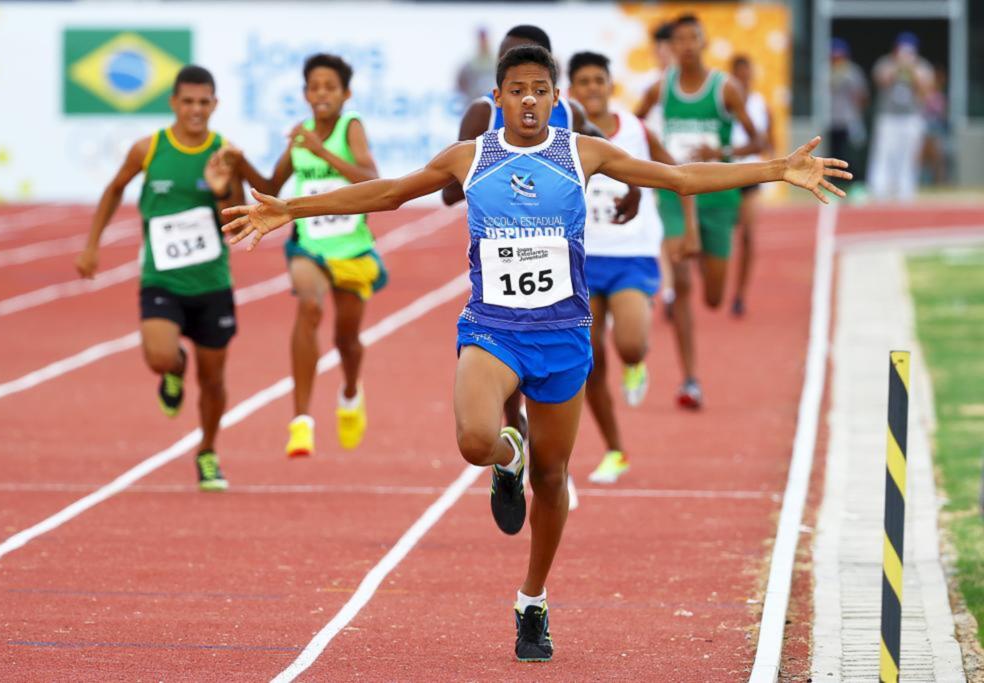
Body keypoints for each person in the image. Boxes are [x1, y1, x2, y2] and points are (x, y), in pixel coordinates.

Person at [220, 46, 848, 662]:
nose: (527, 100)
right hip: (493, 328)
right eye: (515, 90)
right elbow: (387, 194)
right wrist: (290, 209)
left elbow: (679, 178)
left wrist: (773, 170)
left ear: (556, 98)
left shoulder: (583, 153)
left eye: (539, 90)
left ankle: (533, 600)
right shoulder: (470, 158)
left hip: (564, 335)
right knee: (473, 439)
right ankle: (505, 452)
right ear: (497, 99)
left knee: (552, 480)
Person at [442, 23, 640, 438]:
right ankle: (512, 431)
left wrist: (632, 185)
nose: (527, 96)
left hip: (560, 295)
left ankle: (528, 442)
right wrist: (492, 184)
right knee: (497, 376)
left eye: (538, 84)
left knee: (552, 468)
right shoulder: (483, 114)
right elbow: (445, 191)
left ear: (553, 86)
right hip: (499, 290)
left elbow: (608, 151)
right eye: (510, 75)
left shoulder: (570, 117)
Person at [75, 65, 241, 492]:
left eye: (204, 102)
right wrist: (93, 244)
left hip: (212, 283)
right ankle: (174, 369)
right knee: (160, 356)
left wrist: (222, 188)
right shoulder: (148, 149)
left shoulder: (225, 152)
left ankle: (207, 450)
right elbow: (114, 189)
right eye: (187, 101)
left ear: (215, 105)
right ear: (173, 103)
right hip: (161, 278)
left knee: (214, 381)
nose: (195, 110)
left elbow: (240, 215)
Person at [229, 54, 384, 458]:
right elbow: (268, 185)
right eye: (314, 87)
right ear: (304, 93)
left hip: (351, 248)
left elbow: (371, 180)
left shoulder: (351, 128)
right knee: (309, 308)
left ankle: (350, 391)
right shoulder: (298, 138)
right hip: (309, 245)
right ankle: (301, 421)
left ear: (346, 94)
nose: (321, 94)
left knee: (346, 340)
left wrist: (322, 151)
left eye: (329, 87)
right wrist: (239, 161)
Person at [566, 50, 697, 484]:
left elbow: (678, 176)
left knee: (629, 344)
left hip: (631, 256)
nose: (591, 89)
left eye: (598, 81)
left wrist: (688, 228)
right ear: (571, 90)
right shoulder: (561, 135)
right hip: (580, 259)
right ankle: (614, 450)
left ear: (610, 85)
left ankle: (637, 363)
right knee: (590, 361)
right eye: (582, 82)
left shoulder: (636, 130)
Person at [635, 13, 765, 409]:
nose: (687, 46)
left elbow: (757, 138)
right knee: (683, 282)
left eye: (694, 38)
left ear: (704, 43)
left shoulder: (724, 89)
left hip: (719, 201)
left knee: (711, 296)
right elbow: (631, 123)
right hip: (676, 197)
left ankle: (691, 289)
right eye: (680, 40)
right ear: (671, 48)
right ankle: (690, 379)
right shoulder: (661, 88)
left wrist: (721, 152)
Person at [634, 21, 678, 318]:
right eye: (658, 48)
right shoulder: (649, 85)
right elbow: (636, 122)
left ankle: (676, 282)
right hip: (656, 166)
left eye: (667, 47)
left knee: (680, 234)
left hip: (687, 168)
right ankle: (668, 288)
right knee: (655, 228)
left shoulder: (688, 84)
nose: (662, 53)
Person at [728, 54, 774, 317]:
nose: (743, 80)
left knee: (747, 235)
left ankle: (740, 294)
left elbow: (768, 140)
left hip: (750, 176)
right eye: (738, 75)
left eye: (747, 74)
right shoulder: (724, 104)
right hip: (723, 175)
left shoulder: (760, 105)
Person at [867, 32, 934, 202]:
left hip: (911, 118)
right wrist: (898, 67)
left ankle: (905, 190)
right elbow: (882, 80)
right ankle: (879, 189)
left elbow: (926, 92)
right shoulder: (885, 63)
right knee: (884, 153)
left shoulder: (923, 66)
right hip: (888, 116)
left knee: (909, 155)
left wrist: (911, 71)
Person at [828, 38, 868, 189]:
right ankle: (835, 185)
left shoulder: (853, 72)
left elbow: (862, 96)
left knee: (851, 156)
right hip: (831, 121)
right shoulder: (826, 71)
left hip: (849, 120)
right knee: (833, 156)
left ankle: (855, 185)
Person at [455, 28, 496, 105]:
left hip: (494, 107)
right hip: (474, 104)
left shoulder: (497, 62)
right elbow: (460, 83)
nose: (483, 42)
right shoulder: (469, 64)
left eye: (485, 39)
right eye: (481, 39)